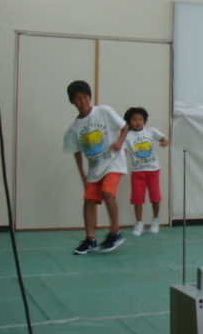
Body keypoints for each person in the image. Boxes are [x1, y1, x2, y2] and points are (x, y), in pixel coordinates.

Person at [63, 80, 128, 254]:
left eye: (85, 97)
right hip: (95, 169)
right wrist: (82, 175)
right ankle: (90, 239)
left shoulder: (103, 111)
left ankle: (115, 233)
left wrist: (119, 143)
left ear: (90, 97)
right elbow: (76, 153)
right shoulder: (73, 129)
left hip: (114, 162)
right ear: (72, 102)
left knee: (107, 192)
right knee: (89, 201)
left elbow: (124, 127)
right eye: (78, 99)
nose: (82, 101)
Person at [123, 107, 168, 236]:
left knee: (155, 197)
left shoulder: (151, 131)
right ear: (129, 122)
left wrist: (164, 142)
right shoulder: (127, 136)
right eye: (134, 120)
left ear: (144, 120)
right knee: (137, 199)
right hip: (137, 172)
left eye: (140, 119)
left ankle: (155, 220)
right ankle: (139, 223)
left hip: (153, 170)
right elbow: (122, 151)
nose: (137, 122)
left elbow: (164, 139)